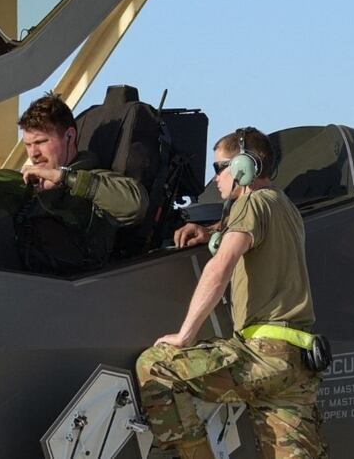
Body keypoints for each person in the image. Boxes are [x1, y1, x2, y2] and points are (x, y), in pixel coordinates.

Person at [136, 127, 327, 459]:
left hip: (262, 355)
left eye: (219, 168)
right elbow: (249, 235)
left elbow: (221, 265)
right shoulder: (283, 206)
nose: (216, 180)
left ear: (244, 167)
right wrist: (211, 230)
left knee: (156, 367)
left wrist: (185, 335)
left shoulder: (250, 202)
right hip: (298, 364)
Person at [0, 93, 148, 273]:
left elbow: (135, 205)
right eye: (28, 144)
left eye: (41, 142)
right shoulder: (27, 188)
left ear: (70, 136)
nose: (33, 153)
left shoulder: (94, 180)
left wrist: (64, 178)